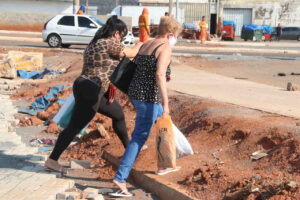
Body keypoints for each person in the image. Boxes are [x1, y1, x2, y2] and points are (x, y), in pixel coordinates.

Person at [44, 16, 143, 173]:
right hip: (91, 88)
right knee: (75, 126)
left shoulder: (95, 43)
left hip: (88, 87)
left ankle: (130, 151)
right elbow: (130, 53)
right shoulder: (108, 42)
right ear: (116, 33)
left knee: (118, 113)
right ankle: (52, 160)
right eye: (121, 35)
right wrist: (141, 43)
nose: (121, 38)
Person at [110, 16, 182, 197]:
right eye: (176, 36)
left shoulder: (147, 43)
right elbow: (159, 74)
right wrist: (166, 103)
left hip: (136, 94)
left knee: (162, 121)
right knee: (139, 137)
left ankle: (165, 164)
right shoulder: (165, 47)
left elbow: (145, 66)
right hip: (148, 98)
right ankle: (120, 178)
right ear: (171, 34)